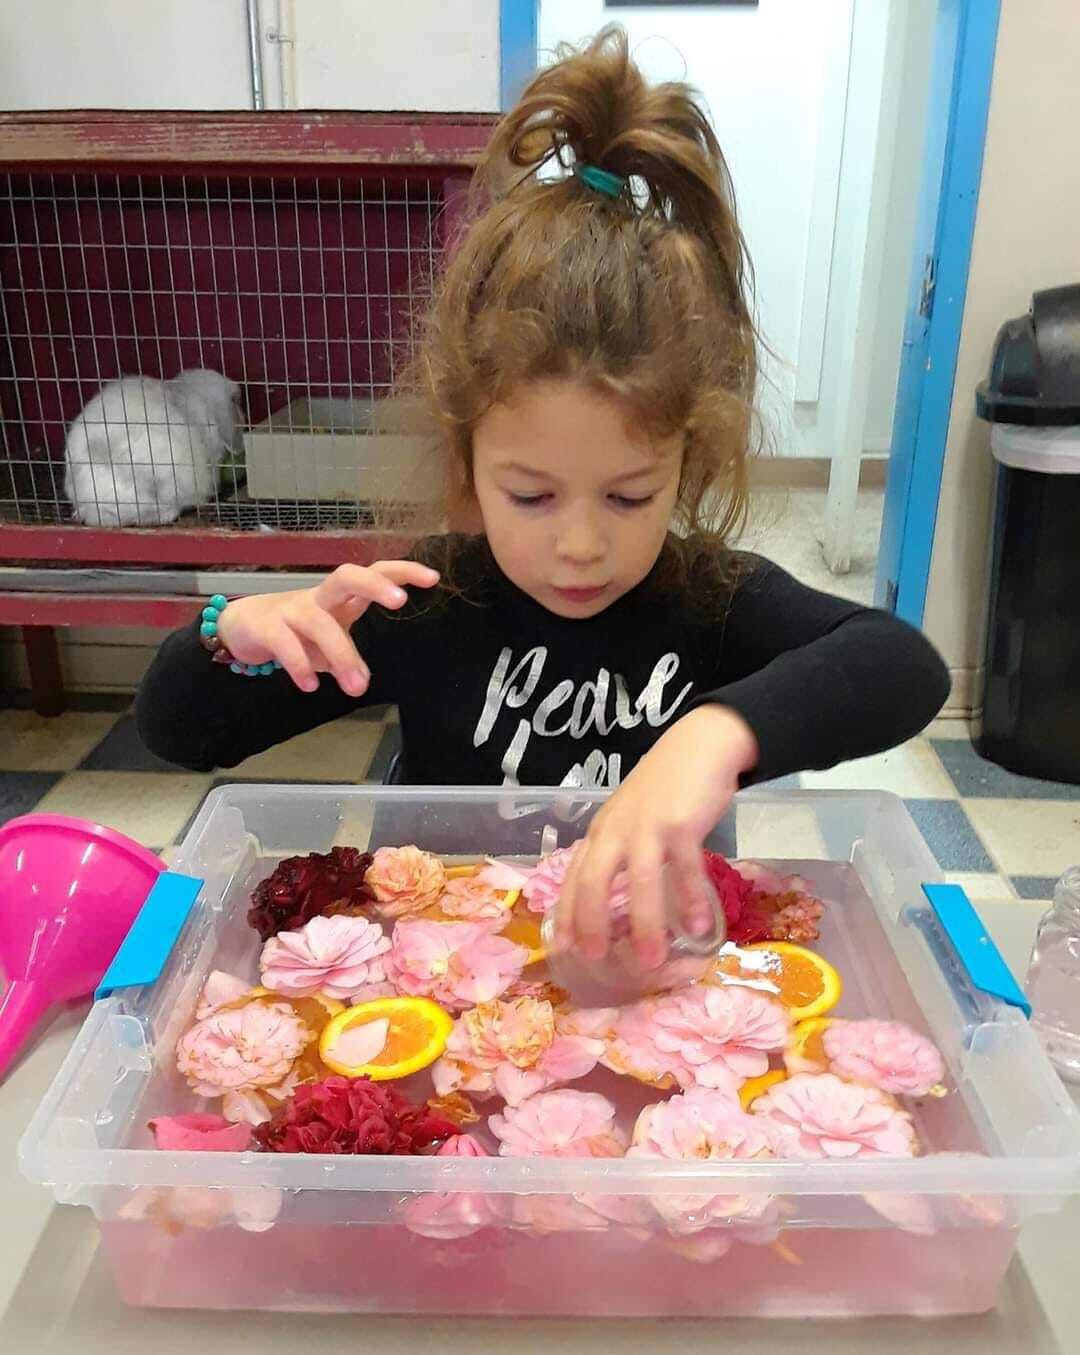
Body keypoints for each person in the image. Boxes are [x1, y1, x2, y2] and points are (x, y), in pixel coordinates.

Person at [136, 28, 949, 975]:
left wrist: (712, 738)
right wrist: (228, 634)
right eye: (530, 495)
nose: (580, 545)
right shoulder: (424, 599)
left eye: (629, 494)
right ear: (467, 462)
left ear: (686, 467)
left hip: (659, 982)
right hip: (452, 987)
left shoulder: (710, 600)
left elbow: (903, 667)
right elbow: (180, 732)